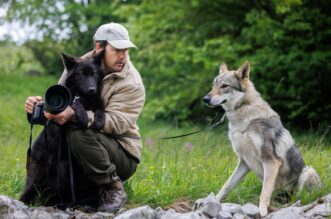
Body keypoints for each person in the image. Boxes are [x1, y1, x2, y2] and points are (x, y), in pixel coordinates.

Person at [24, 22, 145, 213]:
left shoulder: (132, 83)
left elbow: (116, 122)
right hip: (90, 143)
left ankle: (112, 189)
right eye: (117, 50)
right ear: (99, 47)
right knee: (53, 138)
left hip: (122, 152)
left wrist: (75, 115)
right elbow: (61, 105)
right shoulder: (76, 65)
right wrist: (39, 110)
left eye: (126, 50)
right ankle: (50, 191)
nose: (123, 56)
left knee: (77, 133)